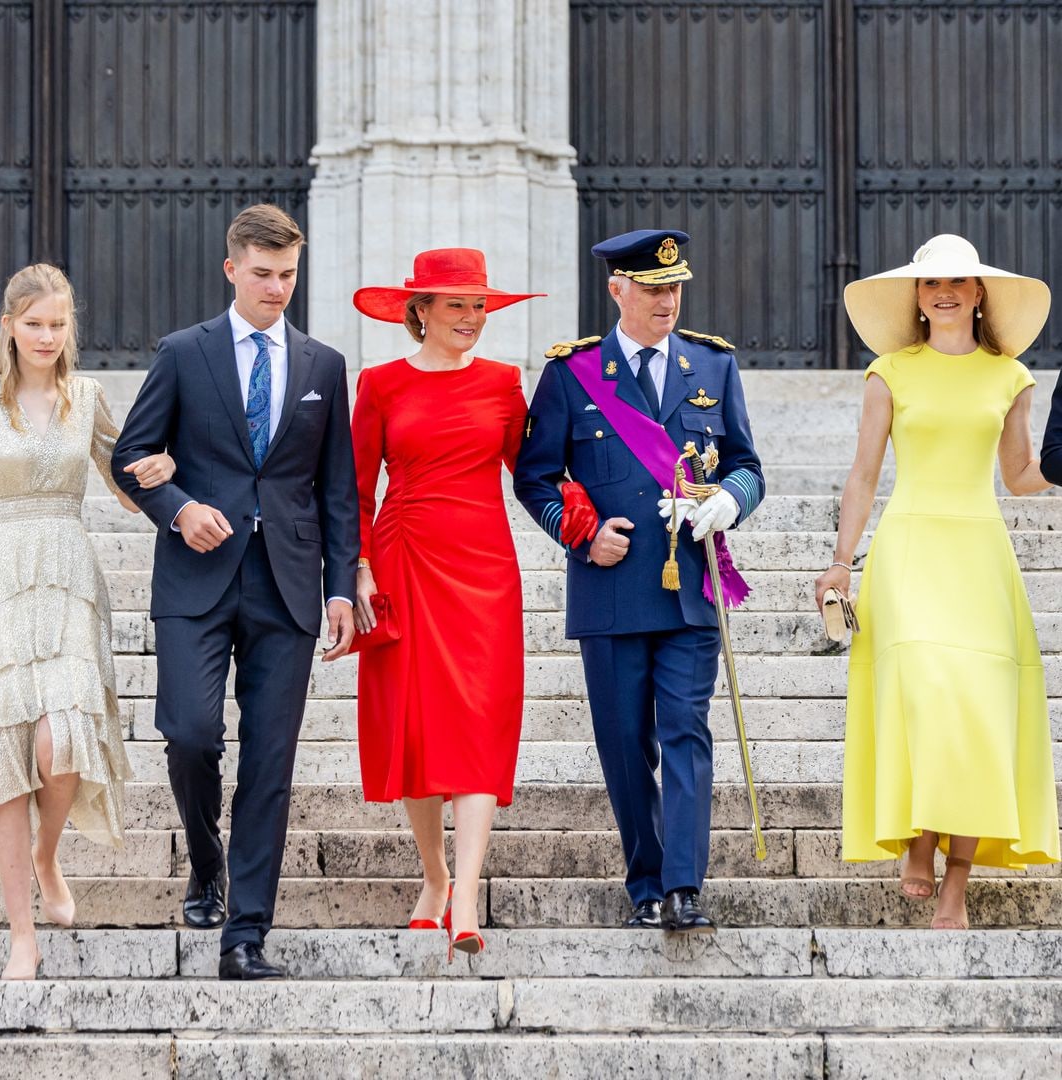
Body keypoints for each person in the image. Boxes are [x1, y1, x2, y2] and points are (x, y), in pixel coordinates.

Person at [112, 204, 360, 979]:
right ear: (232, 269)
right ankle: (207, 861)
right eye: (262, 274)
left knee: (271, 762)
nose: (276, 289)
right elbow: (132, 455)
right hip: (195, 579)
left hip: (287, 586)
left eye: (288, 275)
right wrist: (179, 508)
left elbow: (338, 491)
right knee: (189, 734)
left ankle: (246, 932)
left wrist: (342, 589)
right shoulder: (185, 353)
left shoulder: (323, 366)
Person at [513, 230, 765, 933]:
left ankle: (684, 886)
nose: (668, 300)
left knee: (685, 728)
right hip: (613, 587)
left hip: (690, 586)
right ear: (617, 289)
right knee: (626, 742)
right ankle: (645, 879)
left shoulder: (710, 367)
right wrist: (580, 532)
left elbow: (748, 464)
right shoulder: (573, 375)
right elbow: (533, 477)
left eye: (675, 287)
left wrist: (729, 501)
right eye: (653, 289)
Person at [817, 234, 1060, 929]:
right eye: (929, 284)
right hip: (910, 550)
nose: (944, 291)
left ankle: (957, 881)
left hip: (980, 555)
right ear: (916, 298)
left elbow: (1018, 477)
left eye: (957, 281)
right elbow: (864, 474)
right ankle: (917, 839)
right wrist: (841, 559)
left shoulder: (1009, 376)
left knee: (981, 714)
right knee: (925, 693)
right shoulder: (889, 371)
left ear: (980, 292)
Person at [0, 264, 174, 979]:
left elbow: (126, 486)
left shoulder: (85, 397)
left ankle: (46, 851)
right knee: (5, 756)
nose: (46, 335)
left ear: (71, 329)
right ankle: (21, 933)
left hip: (68, 583)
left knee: (60, 741)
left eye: (58, 324)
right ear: (8, 326)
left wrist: (164, 472)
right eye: (33, 323)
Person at [350, 248, 542, 960]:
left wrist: (592, 515)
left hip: (485, 569)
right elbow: (354, 486)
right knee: (417, 728)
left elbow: (537, 474)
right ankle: (434, 877)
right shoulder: (379, 384)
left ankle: (465, 895)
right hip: (403, 562)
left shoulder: (502, 384)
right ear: (420, 311)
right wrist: (360, 566)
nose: (471, 318)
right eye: (456, 305)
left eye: (480, 306)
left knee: (477, 724)